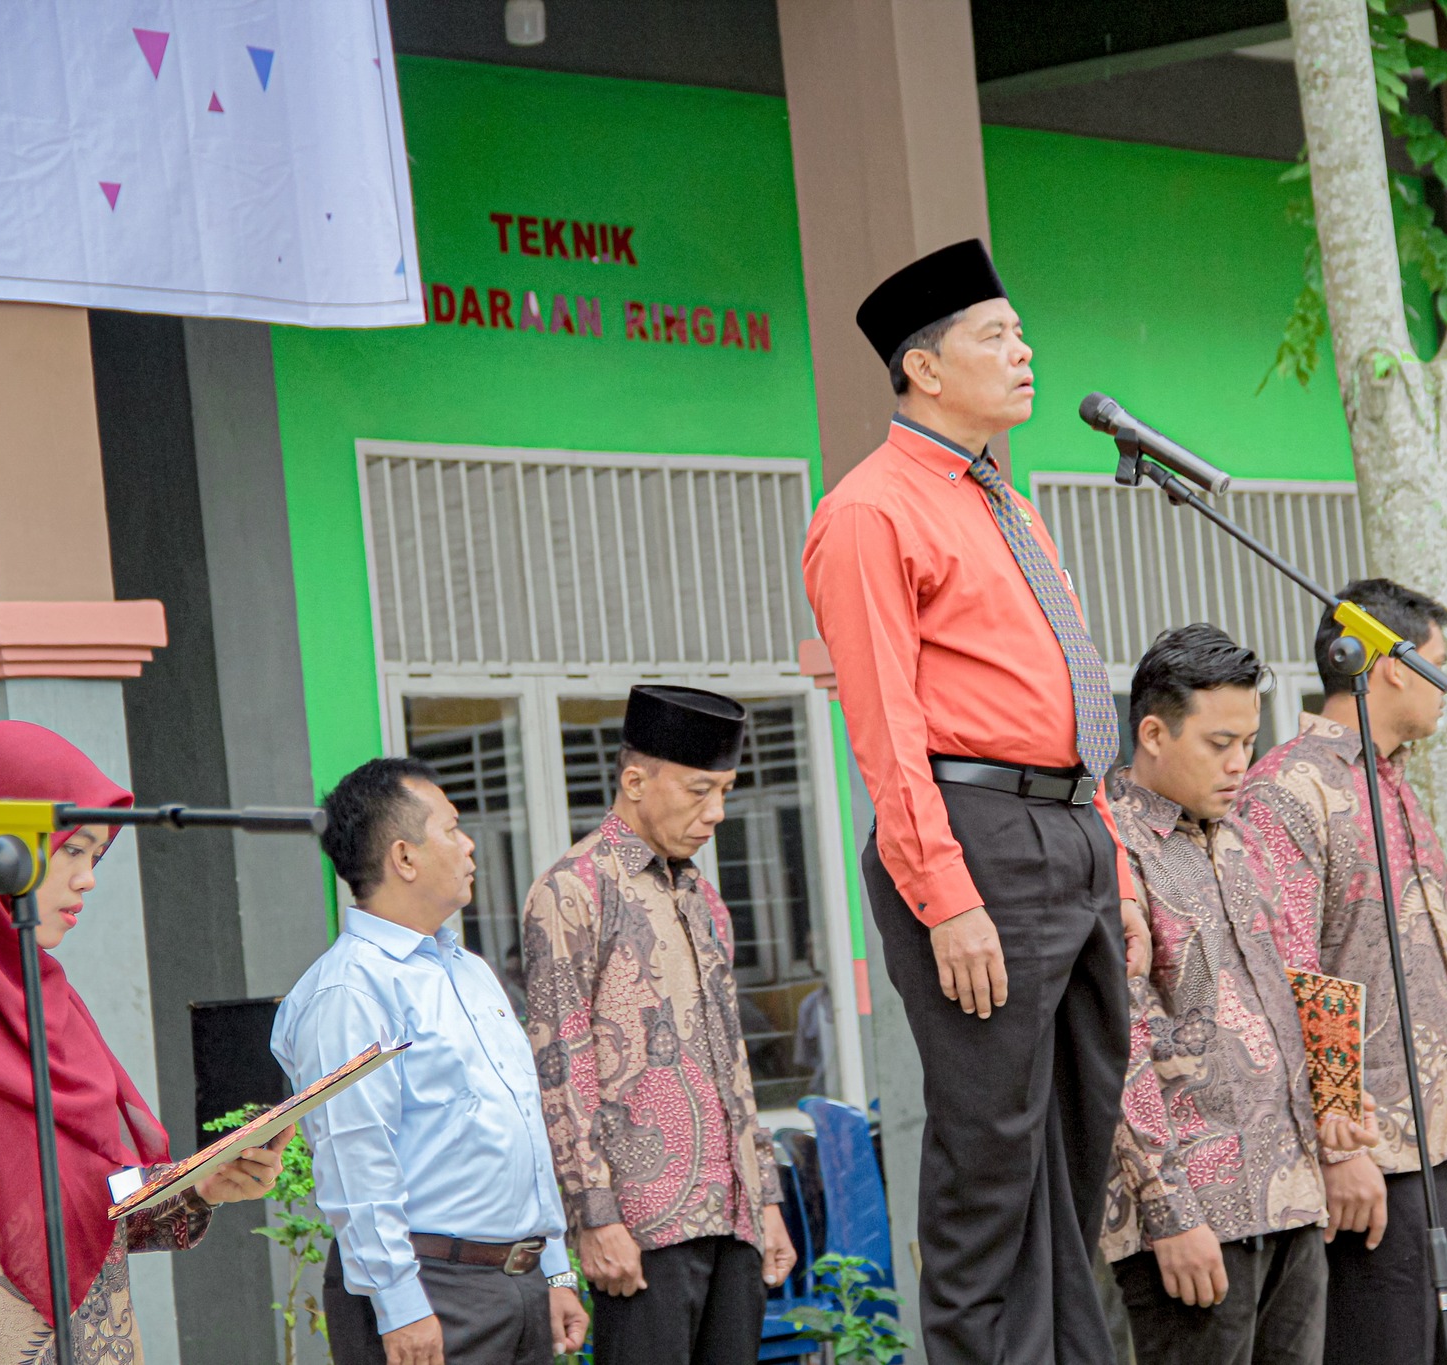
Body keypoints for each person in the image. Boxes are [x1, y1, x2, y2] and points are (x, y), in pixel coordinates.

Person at [802, 238, 1150, 1365]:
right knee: (989, 1151)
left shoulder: (1002, 500)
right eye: (994, 337)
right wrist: (942, 895)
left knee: (1071, 1145)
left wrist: (1113, 863)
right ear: (921, 368)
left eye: (1020, 332)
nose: (1024, 351)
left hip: (1069, 829)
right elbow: (886, 727)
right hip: (976, 840)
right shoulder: (870, 511)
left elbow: (1061, 698)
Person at [0, 721, 288, 1364]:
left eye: (95, 855)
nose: (89, 878)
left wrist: (200, 1185)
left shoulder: (46, 1005)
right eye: (72, 849)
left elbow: (91, 1202)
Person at [1103, 625, 1378, 1365]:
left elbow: (1303, 985)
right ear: (1153, 733)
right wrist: (1169, 1212)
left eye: (1249, 741)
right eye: (1219, 742)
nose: (1239, 764)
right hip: (1194, 1221)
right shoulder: (1109, 851)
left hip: (1290, 1195)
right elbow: (1117, 1041)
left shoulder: (1245, 838)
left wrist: (1337, 1116)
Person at [1235, 578, 1447, 1365]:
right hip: (1374, 1157)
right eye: (1441, 665)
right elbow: (1287, 977)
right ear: (1389, 665)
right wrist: (1343, 1145)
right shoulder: (1289, 787)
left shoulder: (1397, 787)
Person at [272, 757, 588, 1365]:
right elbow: (355, 1156)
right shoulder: (351, 991)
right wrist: (400, 1306)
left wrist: (550, 1272)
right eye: (451, 828)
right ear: (405, 857)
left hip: (514, 1285)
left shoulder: (467, 970)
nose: (469, 846)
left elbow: (521, 1125)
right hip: (431, 1292)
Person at [523, 685, 795, 1365]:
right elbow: (561, 1066)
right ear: (635, 780)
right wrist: (594, 1212)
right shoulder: (573, 890)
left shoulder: (705, 899)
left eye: (727, 790)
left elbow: (735, 1063)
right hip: (642, 1228)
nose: (717, 813)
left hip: (733, 1220)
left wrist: (766, 1198)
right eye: (701, 790)